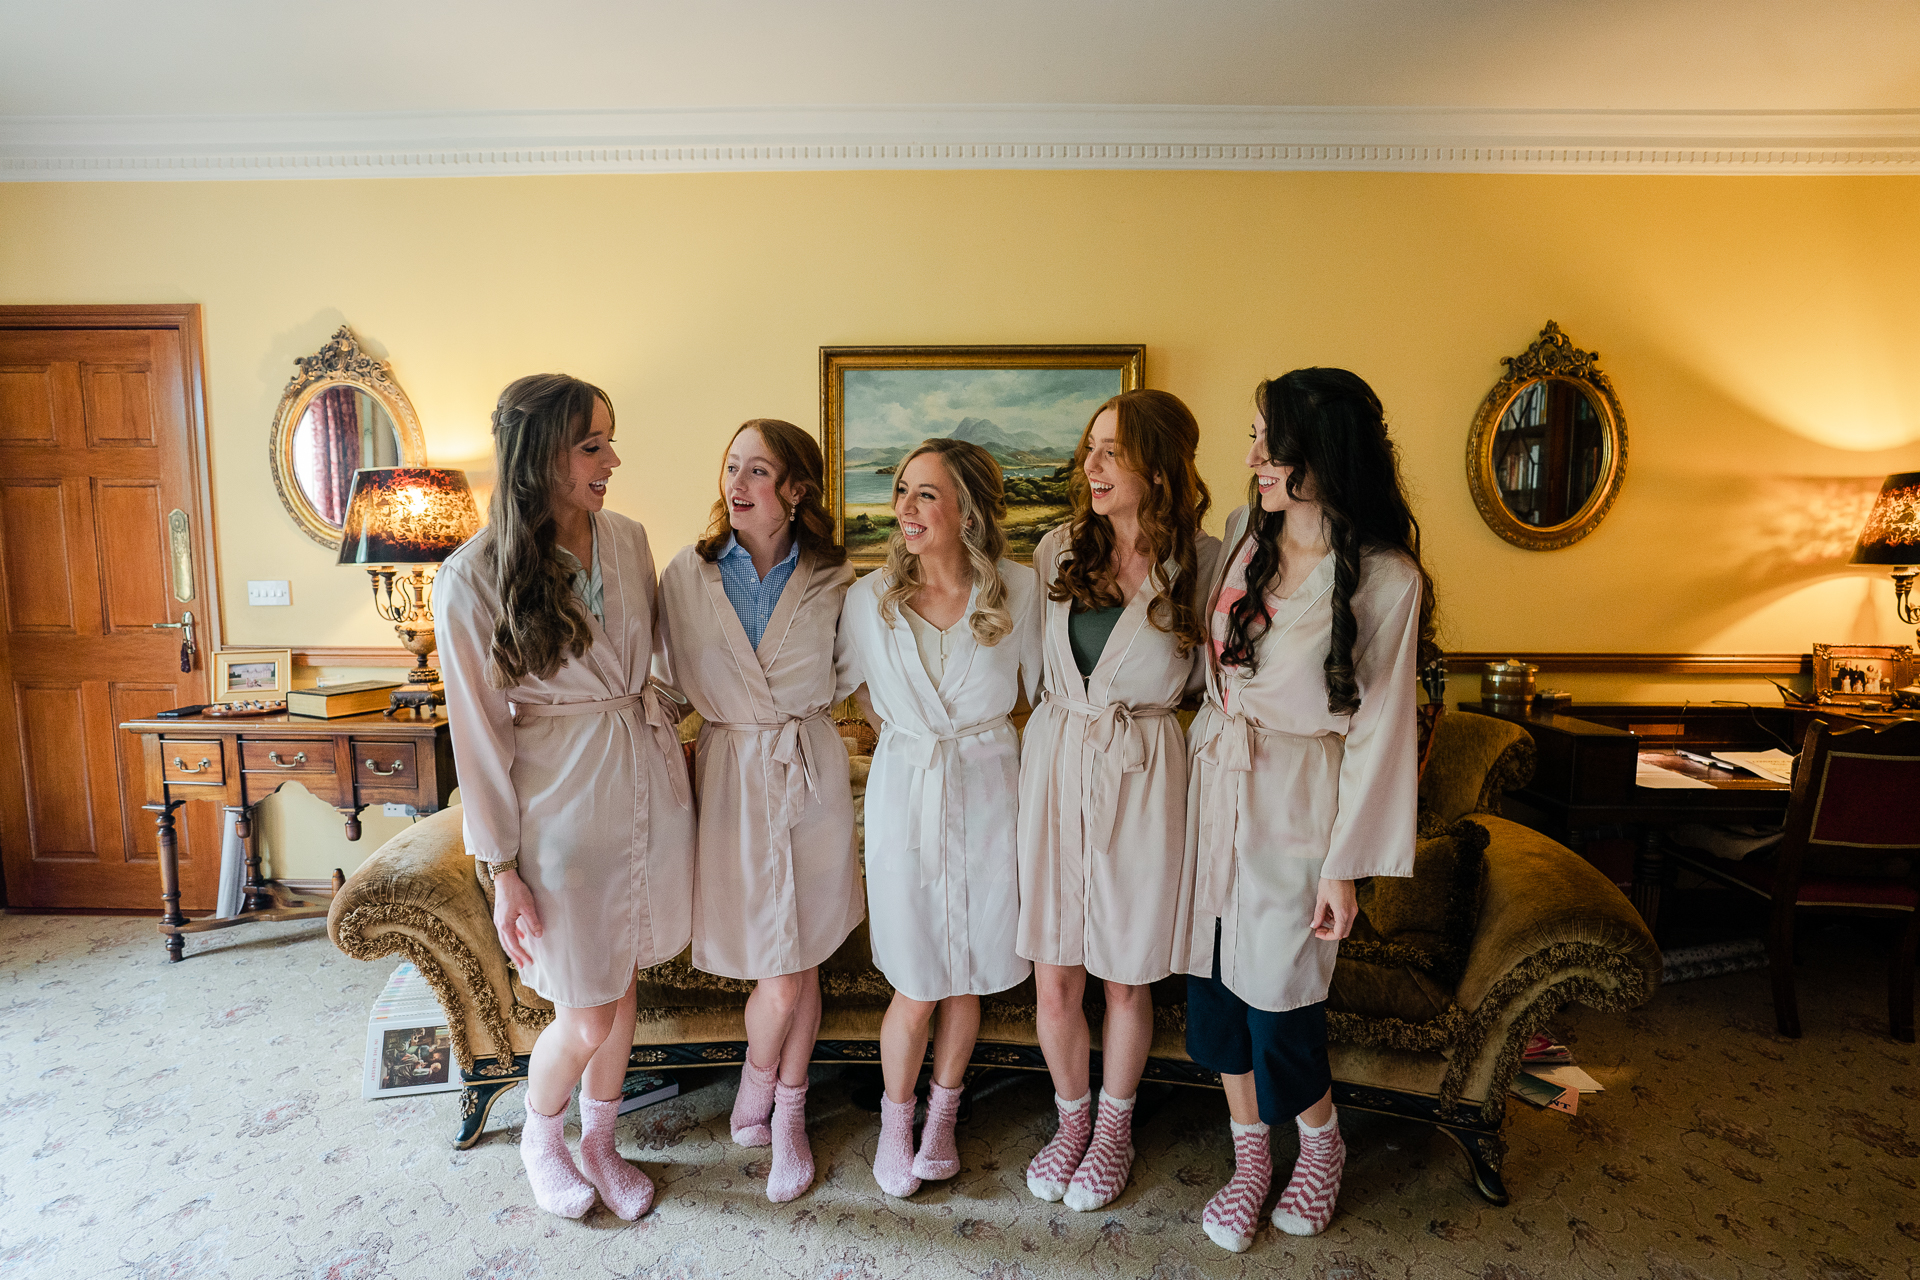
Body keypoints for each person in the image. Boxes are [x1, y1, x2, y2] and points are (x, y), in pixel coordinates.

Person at [1180, 368, 1436, 1250]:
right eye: (1251, 435)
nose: (1252, 457)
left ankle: (1319, 1144)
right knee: (1213, 995)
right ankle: (1250, 1157)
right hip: (1214, 784)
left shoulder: (1387, 581)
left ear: (1323, 454)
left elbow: (1380, 734)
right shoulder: (1242, 539)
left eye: (1271, 440)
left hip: (1298, 799)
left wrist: (1342, 865)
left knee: (1280, 1002)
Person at [437, 373, 696, 1222]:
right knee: (583, 1012)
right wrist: (501, 867)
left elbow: (668, 658)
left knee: (622, 991)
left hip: (642, 786)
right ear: (539, 454)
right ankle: (539, 1137)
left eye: (609, 442)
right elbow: (479, 739)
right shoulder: (470, 578)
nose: (612, 460)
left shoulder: (627, 539)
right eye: (592, 445)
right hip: (557, 812)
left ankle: (600, 1142)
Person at [1015, 389, 1220, 1211]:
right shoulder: (1058, 548)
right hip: (1059, 756)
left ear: (1160, 465)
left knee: (1127, 975)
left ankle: (1114, 1129)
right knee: (1054, 971)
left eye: (1111, 451)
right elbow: (1027, 669)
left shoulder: (1204, 560)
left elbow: (1218, 679)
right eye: (1089, 449)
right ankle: (1070, 1120)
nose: (1090, 467)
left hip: (1146, 766)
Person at [658, 419, 864, 1203]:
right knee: (782, 966)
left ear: (797, 490)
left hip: (808, 772)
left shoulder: (835, 579)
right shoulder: (688, 573)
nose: (737, 485)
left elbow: (858, 679)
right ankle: (771, 1085)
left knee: (797, 956)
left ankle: (783, 1112)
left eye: (758, 471)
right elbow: (656, 679)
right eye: (731, 468)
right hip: (731, 774)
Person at [833, 438, 1042, 1198]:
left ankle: (943, 1119)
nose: (906, 509)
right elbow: (846, 689)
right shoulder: (867, 600)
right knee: (917, 980)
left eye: (926, 494)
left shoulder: (1020, 589)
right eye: (902, 491)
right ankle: (896, 1121)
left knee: (969, 978)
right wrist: (893, 728)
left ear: (968, 510)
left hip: (991, 796)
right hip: (905, 796)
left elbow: (1052, 694)